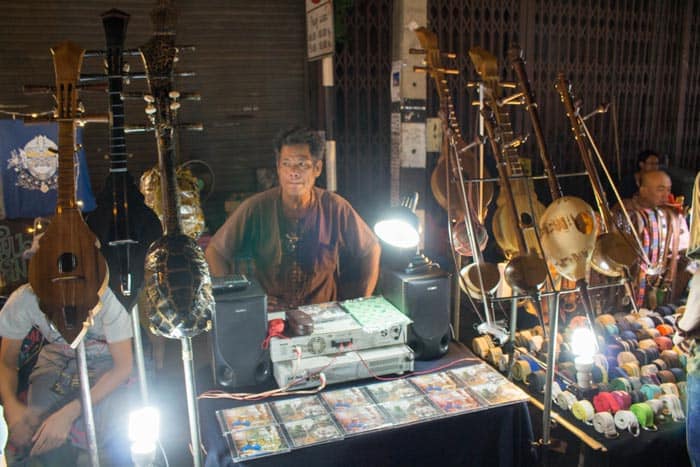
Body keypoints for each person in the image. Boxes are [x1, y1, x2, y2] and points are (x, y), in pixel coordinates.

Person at [205, 126, 381, 310]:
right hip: (272, 316)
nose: (293, 172)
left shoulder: (335, 207)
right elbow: (215, 251)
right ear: (278, 168)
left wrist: (360, 302)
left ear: (317, 168)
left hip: (324, 313)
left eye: (302, 164)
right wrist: (238, 300)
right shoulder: (256, 207)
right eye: (286, 163)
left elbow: (371, 248)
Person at [0, 283, 134, 465]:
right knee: (38, 430)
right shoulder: (25, 298)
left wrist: (69, 413)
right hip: (57, 360)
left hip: (106, 358)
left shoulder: (105, 299)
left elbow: (123, 367)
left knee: (115, 426)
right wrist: (11, 406)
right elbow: (6, 361)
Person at [615, 169, 689, 308]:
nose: (666, 194)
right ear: (643, 190)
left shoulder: (673, 215)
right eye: (660, 189)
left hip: (661, 287)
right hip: (628, 286)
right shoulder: (625, 210)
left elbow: (683, 252)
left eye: (668, 189)